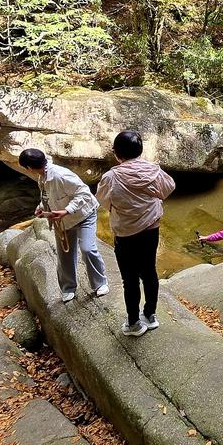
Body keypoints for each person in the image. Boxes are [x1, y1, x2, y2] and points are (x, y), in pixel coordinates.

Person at [95, 131, 175, 336]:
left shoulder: (111, 177)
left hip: (125, 233)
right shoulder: (154, 171)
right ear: (140, 150)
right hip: (151, 230)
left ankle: (133, 323)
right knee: (149, 271)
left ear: (116, 153)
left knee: (129, 279)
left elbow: (103, 201)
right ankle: (150, 315)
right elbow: (168, 189)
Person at [17, 148, 108, 305]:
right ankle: (68, 288)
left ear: (29, 168)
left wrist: (67, 210)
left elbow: (84, 192)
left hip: (84, 215)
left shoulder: (60, 174)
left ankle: (100, 283)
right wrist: (42, 208)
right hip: (62, 220)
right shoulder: (42, 177)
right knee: (64, 254)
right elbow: (48, 196)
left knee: (87, 248)